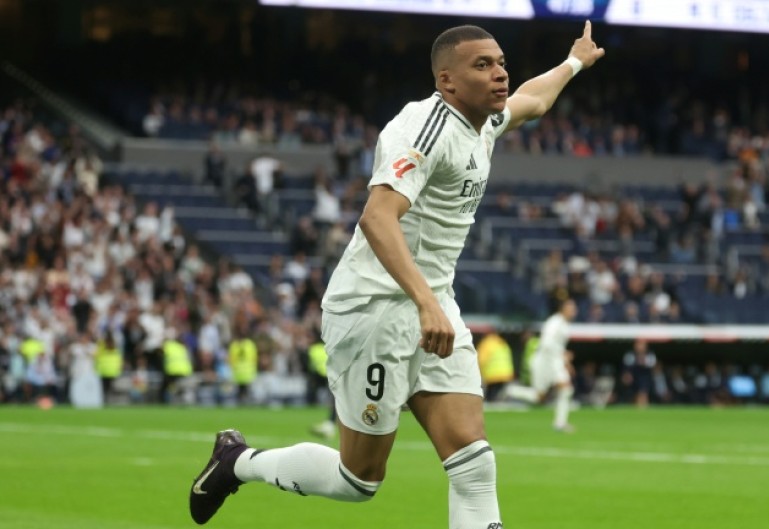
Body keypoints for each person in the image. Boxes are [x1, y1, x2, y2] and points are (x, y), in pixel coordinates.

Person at [189, 22, 605, 527]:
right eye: (483, 65)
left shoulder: (485, 122)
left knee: (474, 465)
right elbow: (377, 217)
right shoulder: (424, 128)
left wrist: (575, 62)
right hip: (376, 309)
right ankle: (238, 462)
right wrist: (426, 302)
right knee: (358, 479)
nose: (500, 73)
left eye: (499, 62)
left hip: (433, 303)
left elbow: (532, 100)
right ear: (447, 82)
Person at [530, 299, 579, 432]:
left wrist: (563, 359)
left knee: (565, 389)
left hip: (553, 361)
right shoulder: (554, 322)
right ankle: (510, 391)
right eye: (571, 308)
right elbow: (546, 343)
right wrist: (563, 355)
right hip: (544, 361)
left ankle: (560, 423)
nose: (574, 311)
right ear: (562, 308)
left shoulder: (564, 324)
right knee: (539, 398)